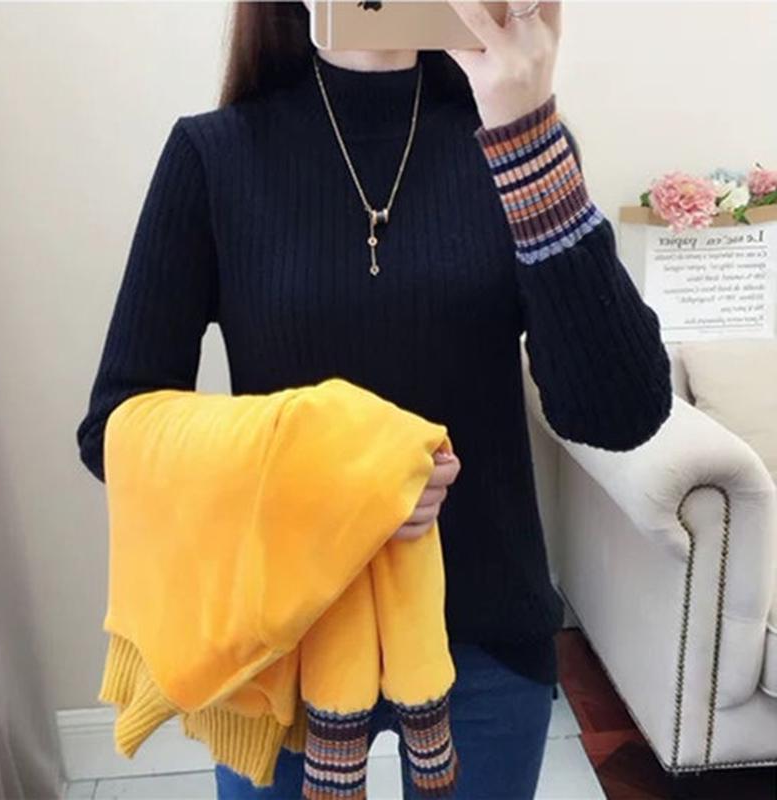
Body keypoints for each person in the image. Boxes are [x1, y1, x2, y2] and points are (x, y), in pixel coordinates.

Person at [76, 1, 673, 797]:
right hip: (281, 638)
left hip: (487, 632)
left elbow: (621, 413)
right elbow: (116, 426)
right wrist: (329, 468)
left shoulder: (518, 142)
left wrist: (528, 134)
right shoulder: (215, 156)